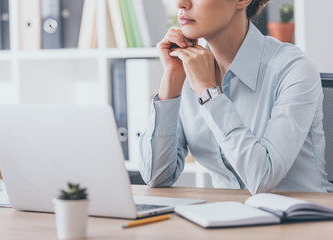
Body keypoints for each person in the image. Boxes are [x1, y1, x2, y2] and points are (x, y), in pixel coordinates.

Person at [138, 0, 333, 195]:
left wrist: (208, 92)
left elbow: (262, 179)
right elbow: (157, 176)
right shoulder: (189, 69)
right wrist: (171, 78)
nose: (181, 3)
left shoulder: (293, 69)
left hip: (303, 219)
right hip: (227, 219)